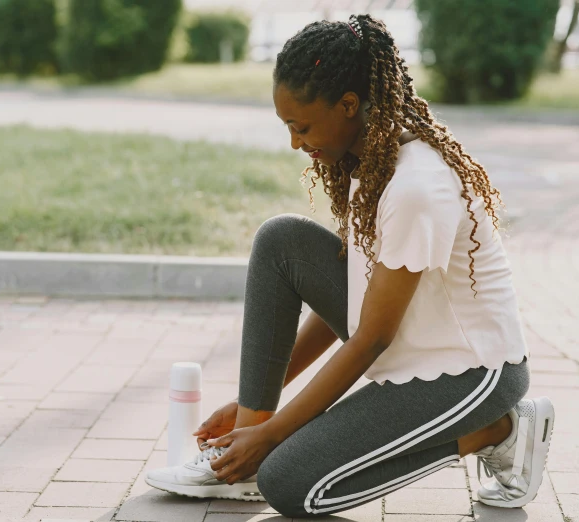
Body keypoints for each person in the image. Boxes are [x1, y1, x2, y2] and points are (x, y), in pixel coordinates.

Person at [145, 14, 554, 518]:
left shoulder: (415, 187)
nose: (295, 142)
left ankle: (498, 431)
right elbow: (360, 302)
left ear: (349, 105)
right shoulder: (372, 159)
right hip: (411, 346)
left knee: (290, 482)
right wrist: (258, 417)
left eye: (302, 126)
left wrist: (275, 435)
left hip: (471, 375)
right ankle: (239, 461)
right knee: (282, 242)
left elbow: (371, 337)